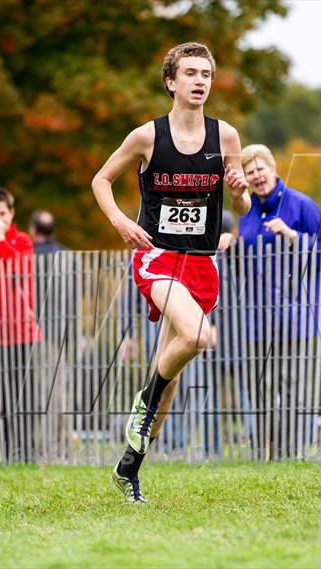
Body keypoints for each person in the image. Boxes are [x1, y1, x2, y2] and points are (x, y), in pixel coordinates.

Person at [92, 42, 250, 502]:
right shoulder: (146, 136)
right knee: (200, 336)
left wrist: (238, 190)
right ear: (171, 82)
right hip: (157, 257)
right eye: (191, 73)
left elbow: (239, 205)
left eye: (207, 74)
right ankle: (145, 401)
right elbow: (102, 180)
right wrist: (121, 221)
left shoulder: (227, 138)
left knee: (172, 379)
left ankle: (128, 470)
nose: (201, 81)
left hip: (201, 263)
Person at [237, 144, 321, 460]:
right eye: (250, 172)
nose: (257, 176)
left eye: (261, 169)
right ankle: (263, 454)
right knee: (259, 389)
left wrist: (292, 236)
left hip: (297, 320)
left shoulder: (302, 206)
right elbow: (238, 266)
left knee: (294, 388)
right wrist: (229, 245)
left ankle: (289, 454)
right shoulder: (244, 213)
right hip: (255, 321)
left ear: (274, 168)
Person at [0, 187, 38, 462]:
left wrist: (1, 240)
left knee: (22, 396)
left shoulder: (22, 241)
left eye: (2, 213)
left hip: (20, 332)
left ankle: (24, 454)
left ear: (11, 213)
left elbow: (12, 272)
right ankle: (8, 453)